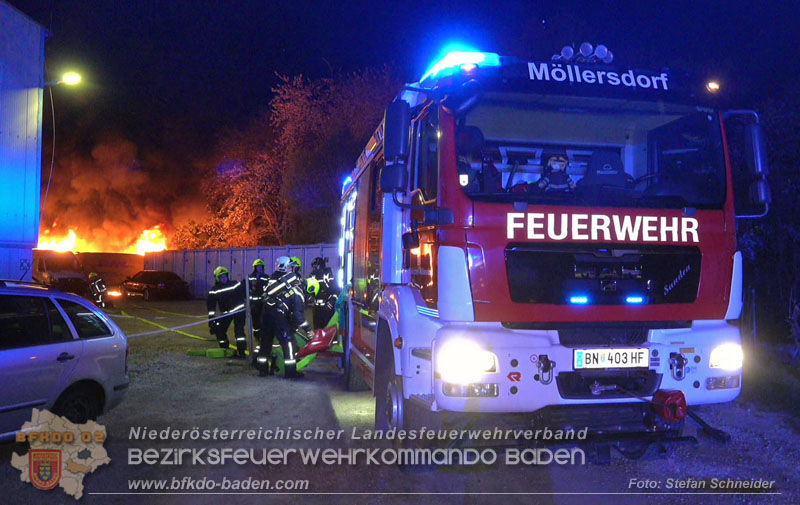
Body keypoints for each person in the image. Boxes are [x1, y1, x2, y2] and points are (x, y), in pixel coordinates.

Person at [255, 256, 312, 378]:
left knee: (265, 342)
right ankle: (291, 372)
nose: (291, 269)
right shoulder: (287, 279)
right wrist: (307, 329)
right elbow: (295, 308)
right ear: (284, 266)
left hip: (266, 313)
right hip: (278, 314)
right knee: (288, 342)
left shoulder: (272, 278)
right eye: (290, 266)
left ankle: (262, 370)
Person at [207, 266, 247, 357]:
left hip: (238, 311)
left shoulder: (234, 284)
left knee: (239, 331)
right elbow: (211, 305)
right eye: (221, 277)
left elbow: (244, 292)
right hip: (226, 313)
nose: (224, 278)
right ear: (217, 278)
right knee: (219, 329)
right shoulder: (214, 290)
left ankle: (241, 351)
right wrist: (211, 319)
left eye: (225, 276)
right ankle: (224, 348)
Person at [308, 257, 338, 329]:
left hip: (327, 309)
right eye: (313, 266)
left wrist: (330, 304)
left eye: (315, 266)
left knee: (328, 330)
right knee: (317, 330)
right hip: (317, 309)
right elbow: (310, 292)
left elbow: (336, 291)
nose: (314, 268)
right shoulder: (312, 277)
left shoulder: (328, 275)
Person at [248, 259, 270, 355]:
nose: (260, 268)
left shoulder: (266, 277)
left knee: (264, 321)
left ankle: (263, 337)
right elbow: (246, 288)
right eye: (258, 267)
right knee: (255, 322)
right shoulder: (250, 277)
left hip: (263, 303)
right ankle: (257, 336)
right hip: (254, 304)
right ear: (255, 268)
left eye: (261, 267)